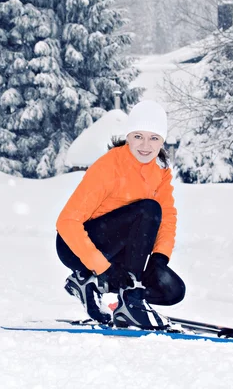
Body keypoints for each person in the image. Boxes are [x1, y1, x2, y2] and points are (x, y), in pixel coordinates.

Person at [55, 100, 185, 330]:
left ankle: (90, 283)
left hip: (115, 248)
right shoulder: (110, 166)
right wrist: (104, 268)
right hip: (74, 245)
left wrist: (159, 258)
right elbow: (67, 222)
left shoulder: (160, 172)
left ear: (162, 141)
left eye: (154, 138)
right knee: (148, 209)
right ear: (128, 136)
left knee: (172, 290)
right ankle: (129, 299)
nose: (145, 145)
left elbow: (167, 218)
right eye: (138, 136)